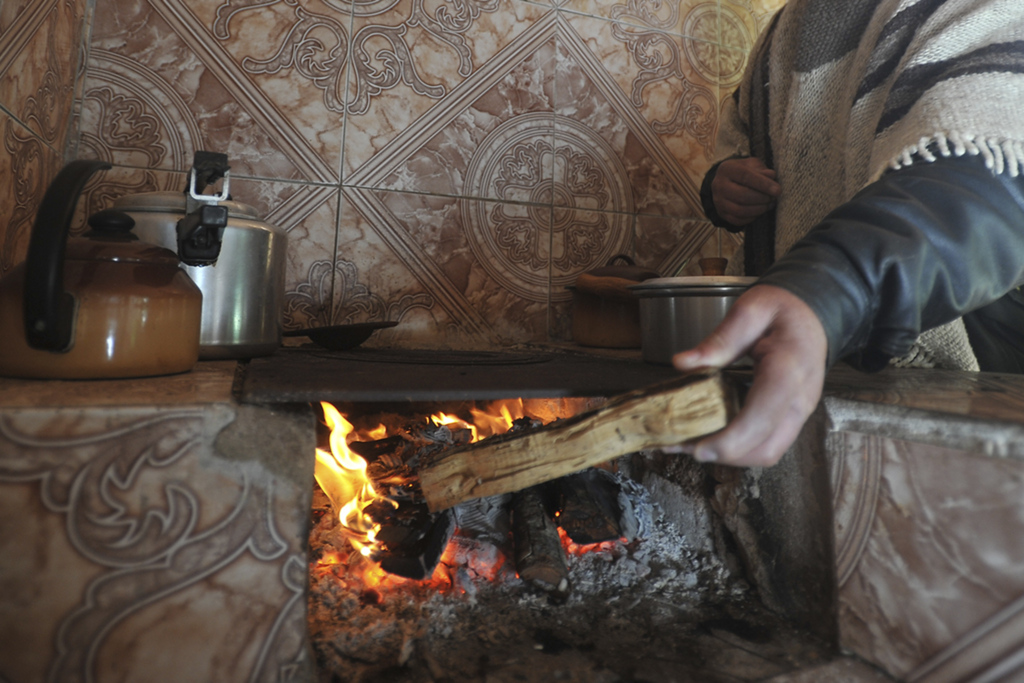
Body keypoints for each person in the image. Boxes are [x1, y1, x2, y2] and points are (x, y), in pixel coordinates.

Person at [672, 0, 1024, 468]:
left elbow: (991, 174)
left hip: (969, 369)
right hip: (814, 350)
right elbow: (744, 142)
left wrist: (832, 287)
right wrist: (720, 187)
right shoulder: (784, 33)